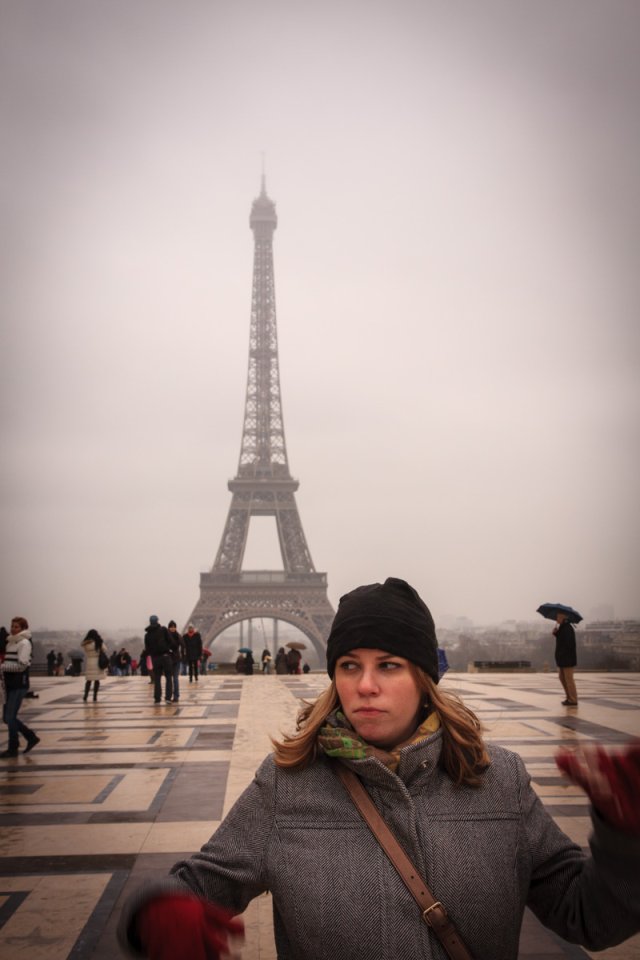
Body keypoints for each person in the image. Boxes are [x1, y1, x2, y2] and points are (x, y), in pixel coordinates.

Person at [117, 578, 640, 960]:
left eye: (388, 665)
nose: (365, 685)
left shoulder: (501, 780)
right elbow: (196, 885)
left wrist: (626, 844)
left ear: (424, 677)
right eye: (350, 666)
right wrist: (157, 912)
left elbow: (587, 917)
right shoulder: (285, 786)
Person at [0, 616, 39, 758]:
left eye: (16, 627)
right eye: (12, 626)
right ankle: (29, 737)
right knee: (7, 718)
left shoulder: (24, 643)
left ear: (23, 628)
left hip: (18, 683)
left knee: (10, 717)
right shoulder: (11, 642)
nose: (13, 629)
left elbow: (22, 666)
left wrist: (2, 667)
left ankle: (13, 747)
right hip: (10, 683)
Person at [144, 616, 173, 703]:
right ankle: (168, 698)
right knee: (168, 677)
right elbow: (171, 641)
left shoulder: (147, 635)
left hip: (155, 658)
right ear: (157, 621)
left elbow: (147, 649)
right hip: (165, 656)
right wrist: (167, 649)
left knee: (157, 678)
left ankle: (157, 698)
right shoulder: (163, 630)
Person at [553, 612, 578, 705]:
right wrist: (556, 634)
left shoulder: (567, 628)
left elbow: (568, 644)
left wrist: (562, 654)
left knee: (569, 679)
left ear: (562, 618)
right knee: (562, 678)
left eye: (558, 617)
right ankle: (569, 697)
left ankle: (573, 699)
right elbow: (562, 640)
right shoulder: (563, 627)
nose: (556, 619)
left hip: (567, 659)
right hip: (563, 658)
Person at [81, 628, 105, 702]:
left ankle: (86, 695)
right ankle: (95, 696)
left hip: (90, 662)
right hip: (97, 662)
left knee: (89, 680)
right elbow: (104, 649)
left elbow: (85, 650)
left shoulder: (86, 644)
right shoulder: (98, 642)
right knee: (97, 680)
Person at [167, 621, 184, 702]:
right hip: (169, 660)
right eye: (171, 627)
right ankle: (170, 696)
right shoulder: (178, 636)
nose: (173, 628)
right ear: (169, 627)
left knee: (175, 679)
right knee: (171, 679)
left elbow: (183, 645)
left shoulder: (174, 636)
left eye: (174, 627)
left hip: (175, 659)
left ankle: (176, 696)